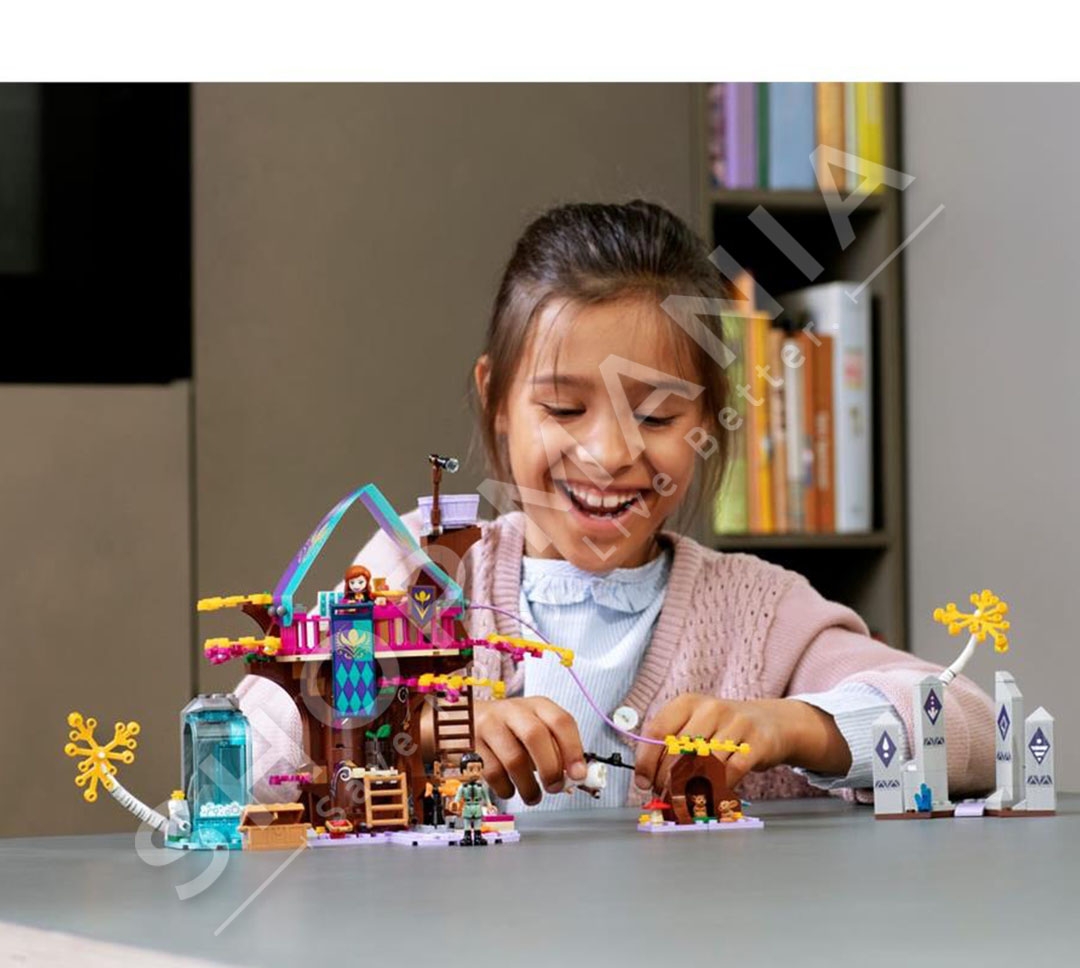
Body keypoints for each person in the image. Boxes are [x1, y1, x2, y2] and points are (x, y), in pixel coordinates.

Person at [237, 199, 995, 814]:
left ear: (707, 420)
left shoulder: (761, 613)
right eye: (564, 409)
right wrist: (423, 728)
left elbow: (974, 730)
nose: (608, 453)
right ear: (496, 401)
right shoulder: (418, 566)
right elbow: (238, 758)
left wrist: (794, 726)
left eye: (658, 416)